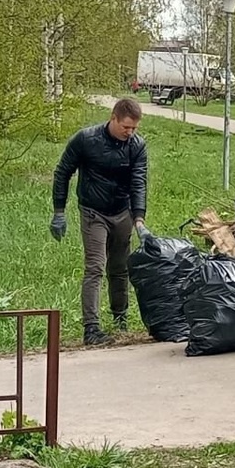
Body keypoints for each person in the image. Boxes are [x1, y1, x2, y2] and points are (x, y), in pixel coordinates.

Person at [51, 97, 149, 346]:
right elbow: (63, 172)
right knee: (95, 266)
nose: (130, 132)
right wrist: (59, 211)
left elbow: (139, 182)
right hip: (93, 211)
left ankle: (120, 318)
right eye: (126, 127)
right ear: (113, 118)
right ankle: (91, 328)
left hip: (122, 211)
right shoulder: (86, 139)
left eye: (134, 128)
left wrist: (139, 219)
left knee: (120, 268)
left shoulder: (137, 146)